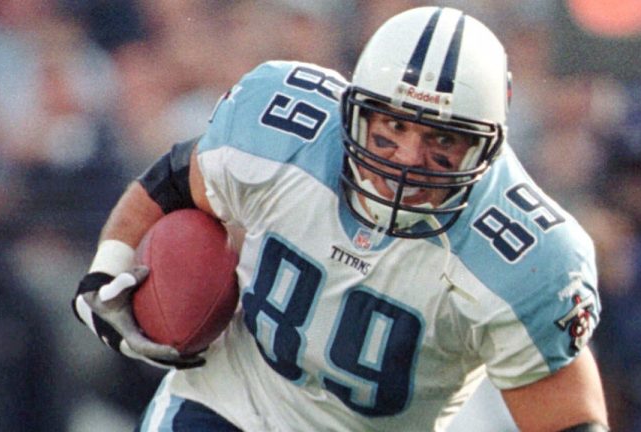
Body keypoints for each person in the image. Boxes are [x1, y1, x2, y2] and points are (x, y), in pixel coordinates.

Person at [72, 7, 609, 431]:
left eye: (443, 139)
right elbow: (169, 182)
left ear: (488, 146)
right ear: (354, 110)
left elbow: (568, 422)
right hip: (226, 408)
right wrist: (108, 267)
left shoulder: (526, 258)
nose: (407, 158)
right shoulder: (282, 135)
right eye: (390, 128)